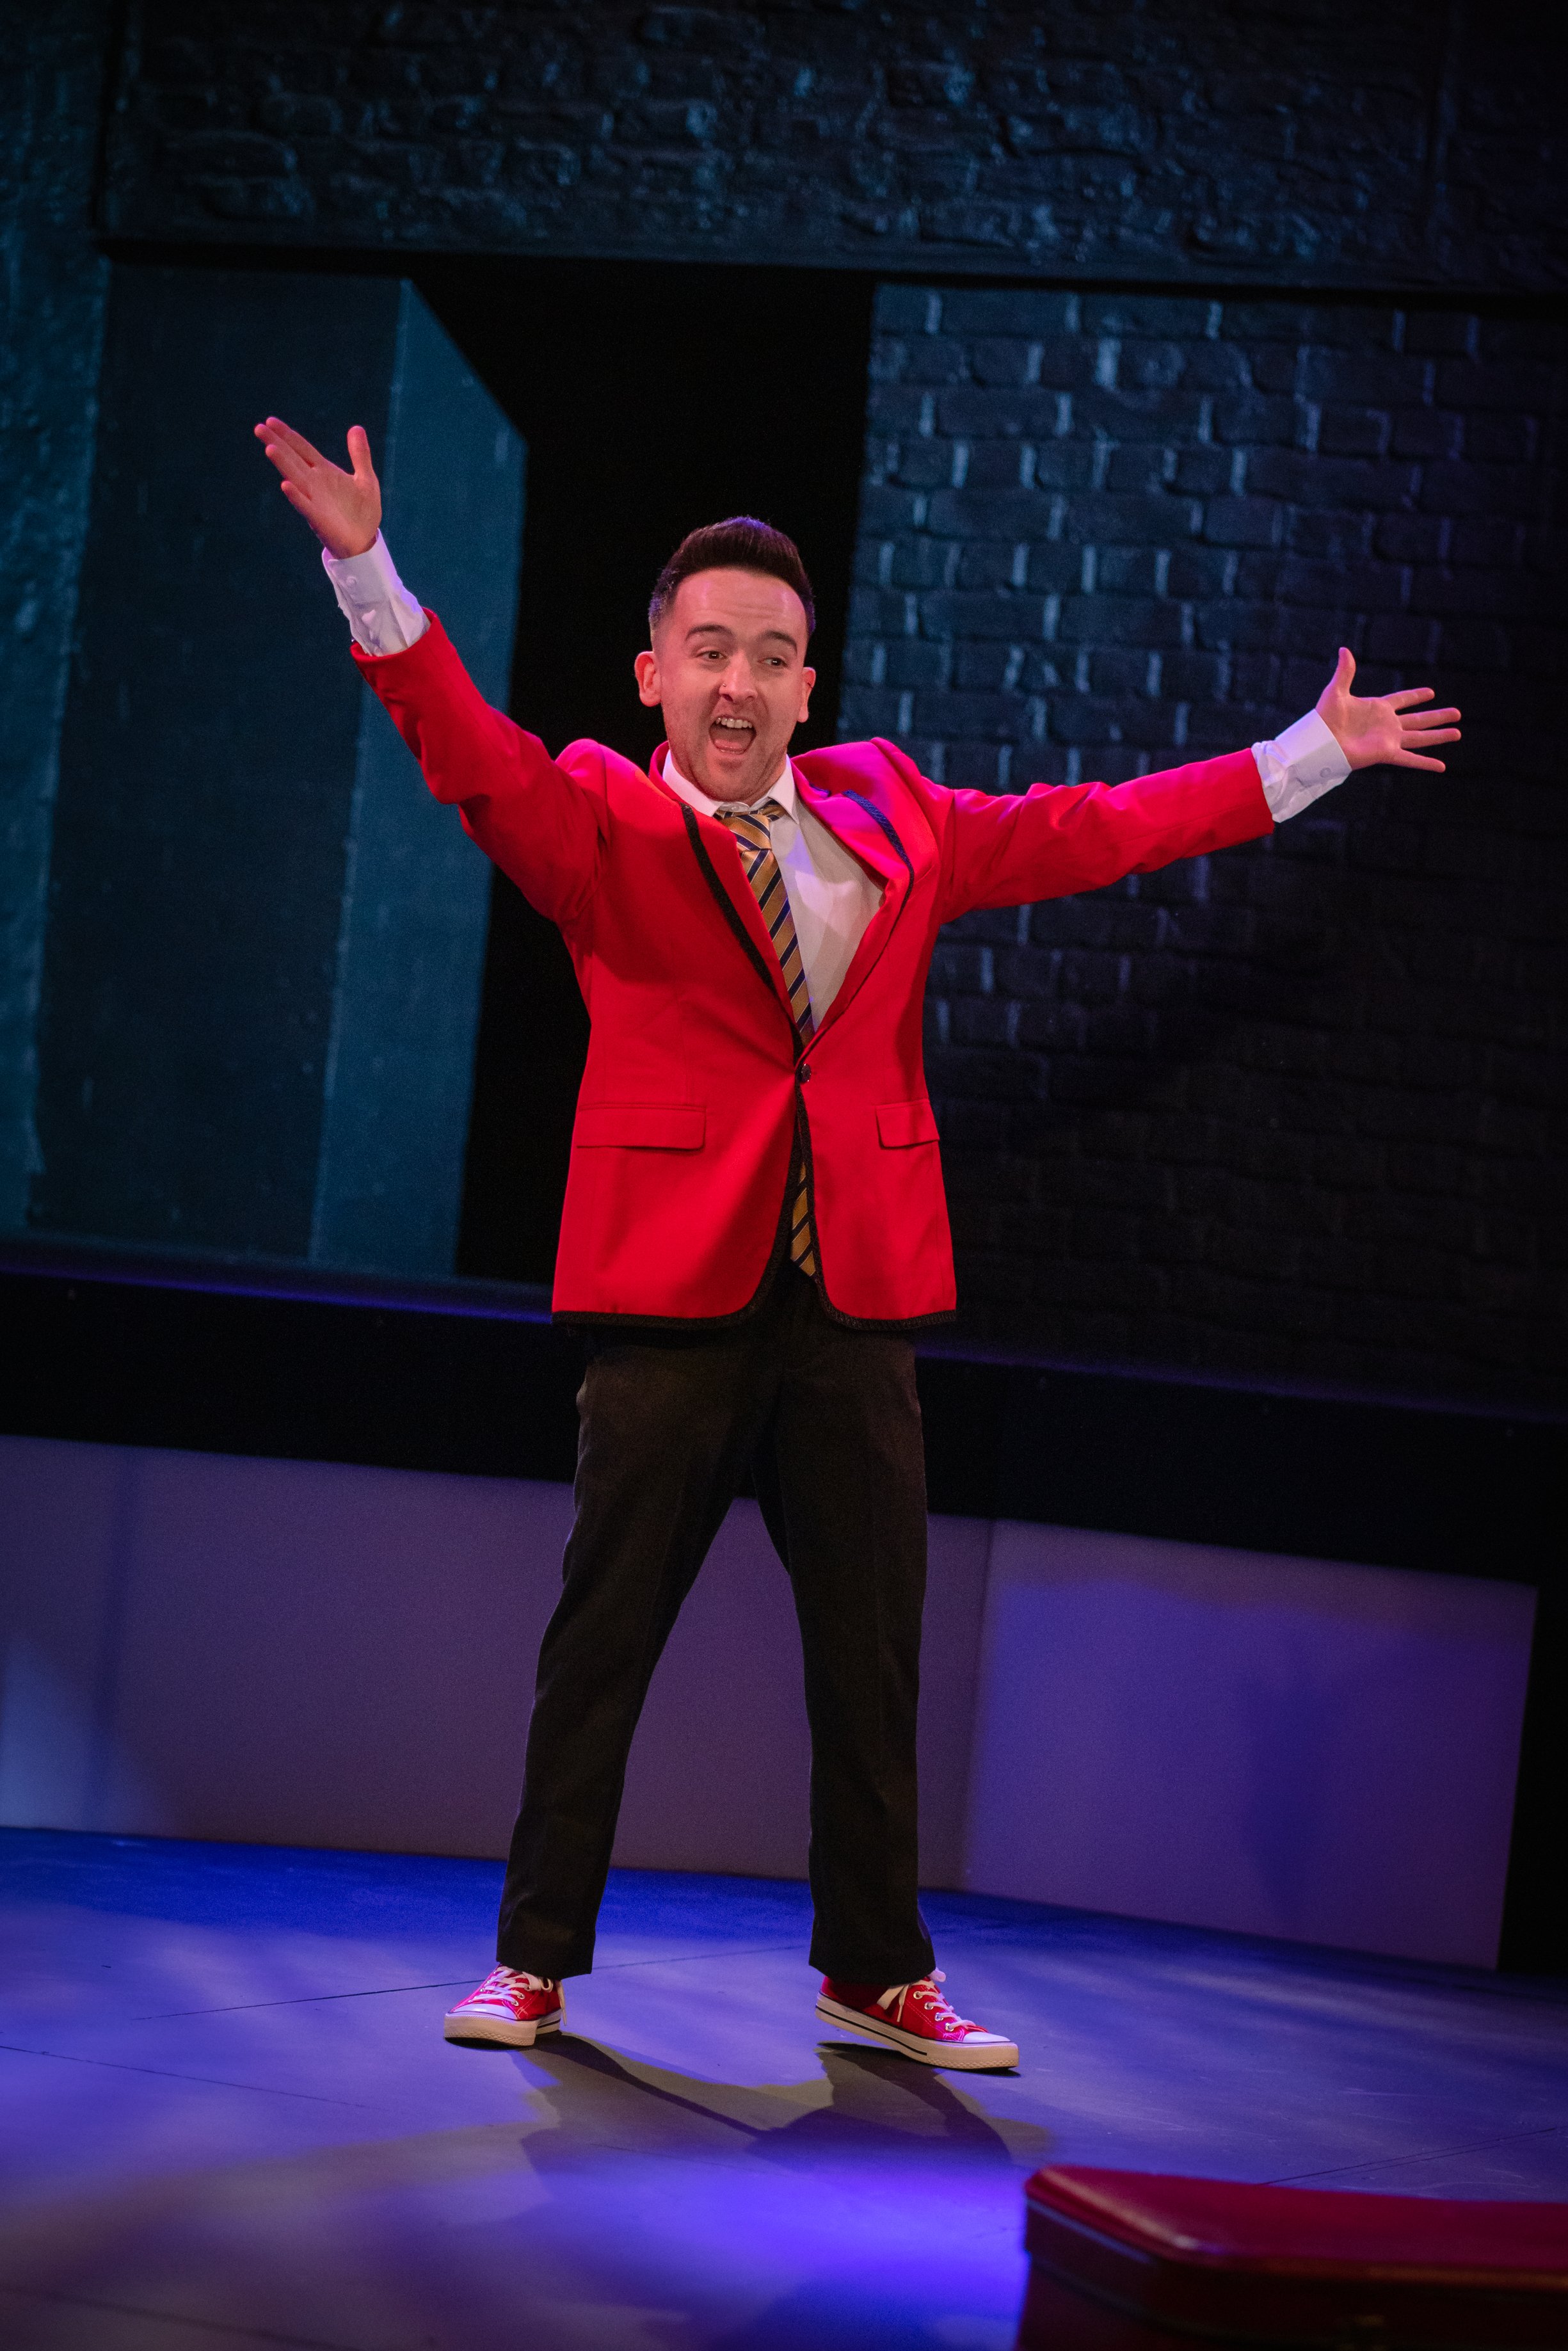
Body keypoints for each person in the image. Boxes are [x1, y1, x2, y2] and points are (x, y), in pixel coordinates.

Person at [255, 414, 1460, 2072]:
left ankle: (876, 1973)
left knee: (872, 1653)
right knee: (602, 1642)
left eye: (770, 656)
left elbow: (1096, 826)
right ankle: (532, 1960)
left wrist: (1306, 752)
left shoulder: (892, 811)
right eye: (708, 653)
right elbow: (465, 750)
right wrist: (366, 566)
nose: (738, 683)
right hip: (670, 1289)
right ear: (655, 678)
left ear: (807, 685)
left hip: (855, 1290)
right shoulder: (599, 822)